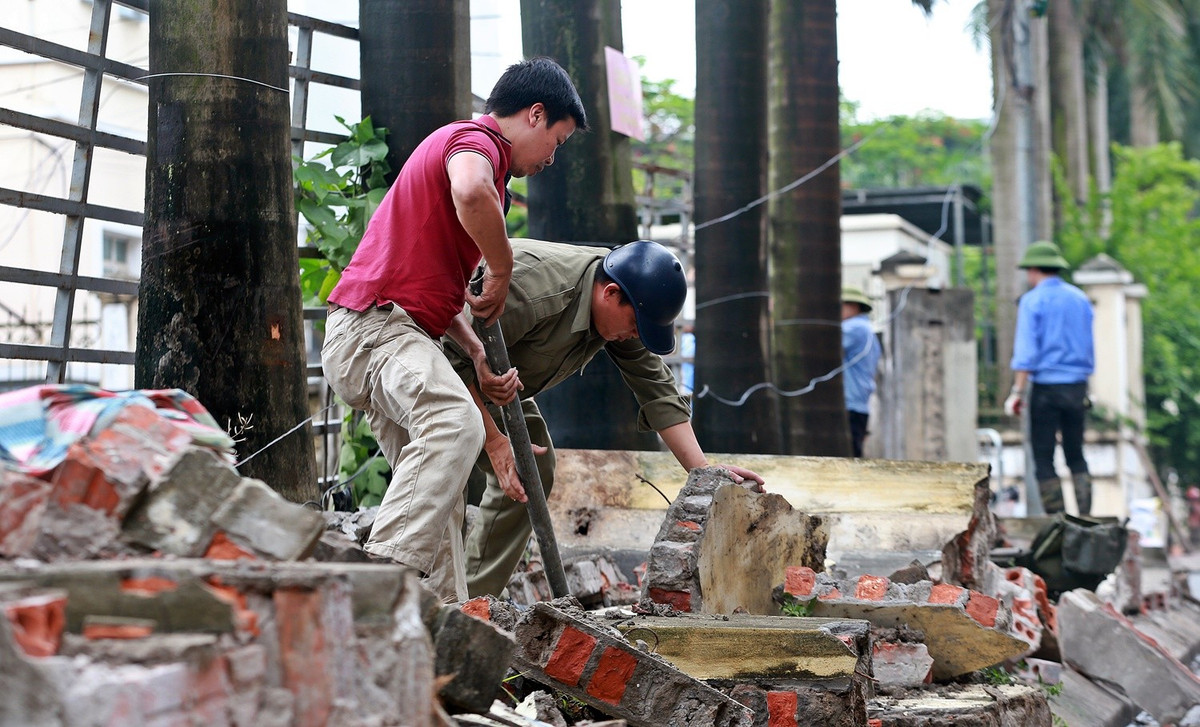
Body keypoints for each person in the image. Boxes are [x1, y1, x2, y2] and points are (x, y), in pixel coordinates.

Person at [320, 58, 587, 603]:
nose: (551, 159)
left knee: (438, 504)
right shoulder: (475, 142)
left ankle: (443, 642)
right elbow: (468, 190)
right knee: (456, 424)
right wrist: (504, 264)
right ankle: (372, 593)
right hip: (373, 328)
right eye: (556, 142)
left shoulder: (488, 170)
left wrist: (473, 350)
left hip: (394, 332)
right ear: (535, 115)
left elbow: (445, 297)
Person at [444, 238, 766, 598]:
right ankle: (420, 603)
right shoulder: (532, 291)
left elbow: (656, 387)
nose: (633, 335)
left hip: (491, 384)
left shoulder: (623, 300)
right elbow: (452, 360)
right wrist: (494, 443)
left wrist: (704, 473)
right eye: (634, 326)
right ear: (610, 294)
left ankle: (470, 603)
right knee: (451, 468)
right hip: (425, 363)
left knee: (531, 469)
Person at [1004, 240, 1095, 515]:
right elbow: (1088, 345)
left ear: (1033, 270)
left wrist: (1017, 393)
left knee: (1044, 456)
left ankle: (1058, 520)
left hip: (1046, 387)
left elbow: (1026, 353)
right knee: (1075, 454)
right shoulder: (1080, 299)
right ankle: (1086, 516)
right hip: (1077, 386)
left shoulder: (1033, 301)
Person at [841, 286, 882, 458]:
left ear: (854, 306)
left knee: (846, 458)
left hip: (850, 404)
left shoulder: (854, 327)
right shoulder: (866, 330)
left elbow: (822, 343)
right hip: (858, 404)